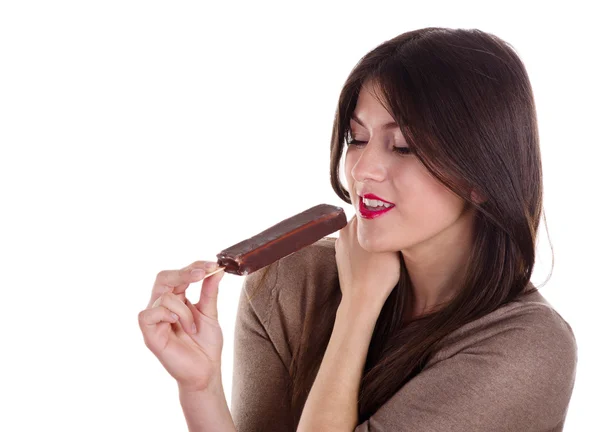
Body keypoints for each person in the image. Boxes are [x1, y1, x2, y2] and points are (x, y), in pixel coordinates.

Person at [138, 27, 577, 431]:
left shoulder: (528, 349)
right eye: (358, 139)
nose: (363, 169)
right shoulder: (291, 283)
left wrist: (358, 308)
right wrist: (200, 389)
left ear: (481, 176)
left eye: (404, 145)